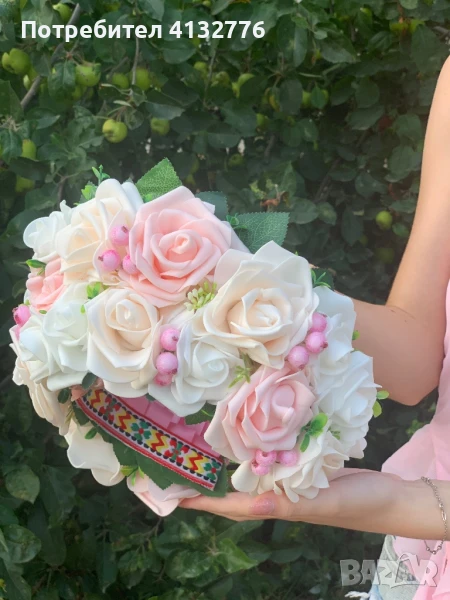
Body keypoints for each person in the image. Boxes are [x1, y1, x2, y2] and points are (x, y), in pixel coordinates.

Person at [182, 55, 450, 600]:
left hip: (424, 511)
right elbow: (416, 360)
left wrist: (399, 502)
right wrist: (264, 290)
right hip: (417, 556)